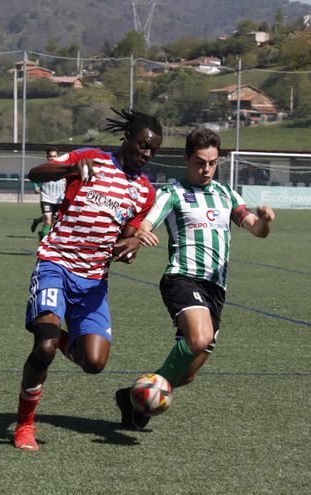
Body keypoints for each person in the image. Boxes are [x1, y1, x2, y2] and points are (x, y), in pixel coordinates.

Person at [12, 108, 163, 451]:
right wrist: (69, 167)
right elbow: (36, 173)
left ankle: (47, 328)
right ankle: (24, 426)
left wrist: (133, 244)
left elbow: (126, 237)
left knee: (94, 362)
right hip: (56, 264)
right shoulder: (90, 158)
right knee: (45, 347)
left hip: (93, 282)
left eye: (153, 150)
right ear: (128, 139)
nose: (147, 153)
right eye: (143, 145)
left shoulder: (144, 192)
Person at [113, 127, 275, 431]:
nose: (206, 169)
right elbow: (148, 221)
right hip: (183, 278)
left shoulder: (226, 194)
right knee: (199, 339)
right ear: (187, 159)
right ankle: (143, 407)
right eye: (200, 162)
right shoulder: (172, 193)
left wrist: (264, 222)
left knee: (186, 374)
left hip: (216, 289)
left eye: (212, 163)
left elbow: (255, 227)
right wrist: (141, 232)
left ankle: (130, 397)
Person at [28, 148, 66, 240]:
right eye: (50, 156)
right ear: (47, 157)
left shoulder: (64, 169)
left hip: (59, 200)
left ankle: (37, 222)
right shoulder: (43, 169)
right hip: (46, 198)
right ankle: (43, 243)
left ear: (58, 157)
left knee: (53, 222)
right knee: (48, 222)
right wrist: (36, 187)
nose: (52, 158)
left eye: (54, 156)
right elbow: (34, 178)